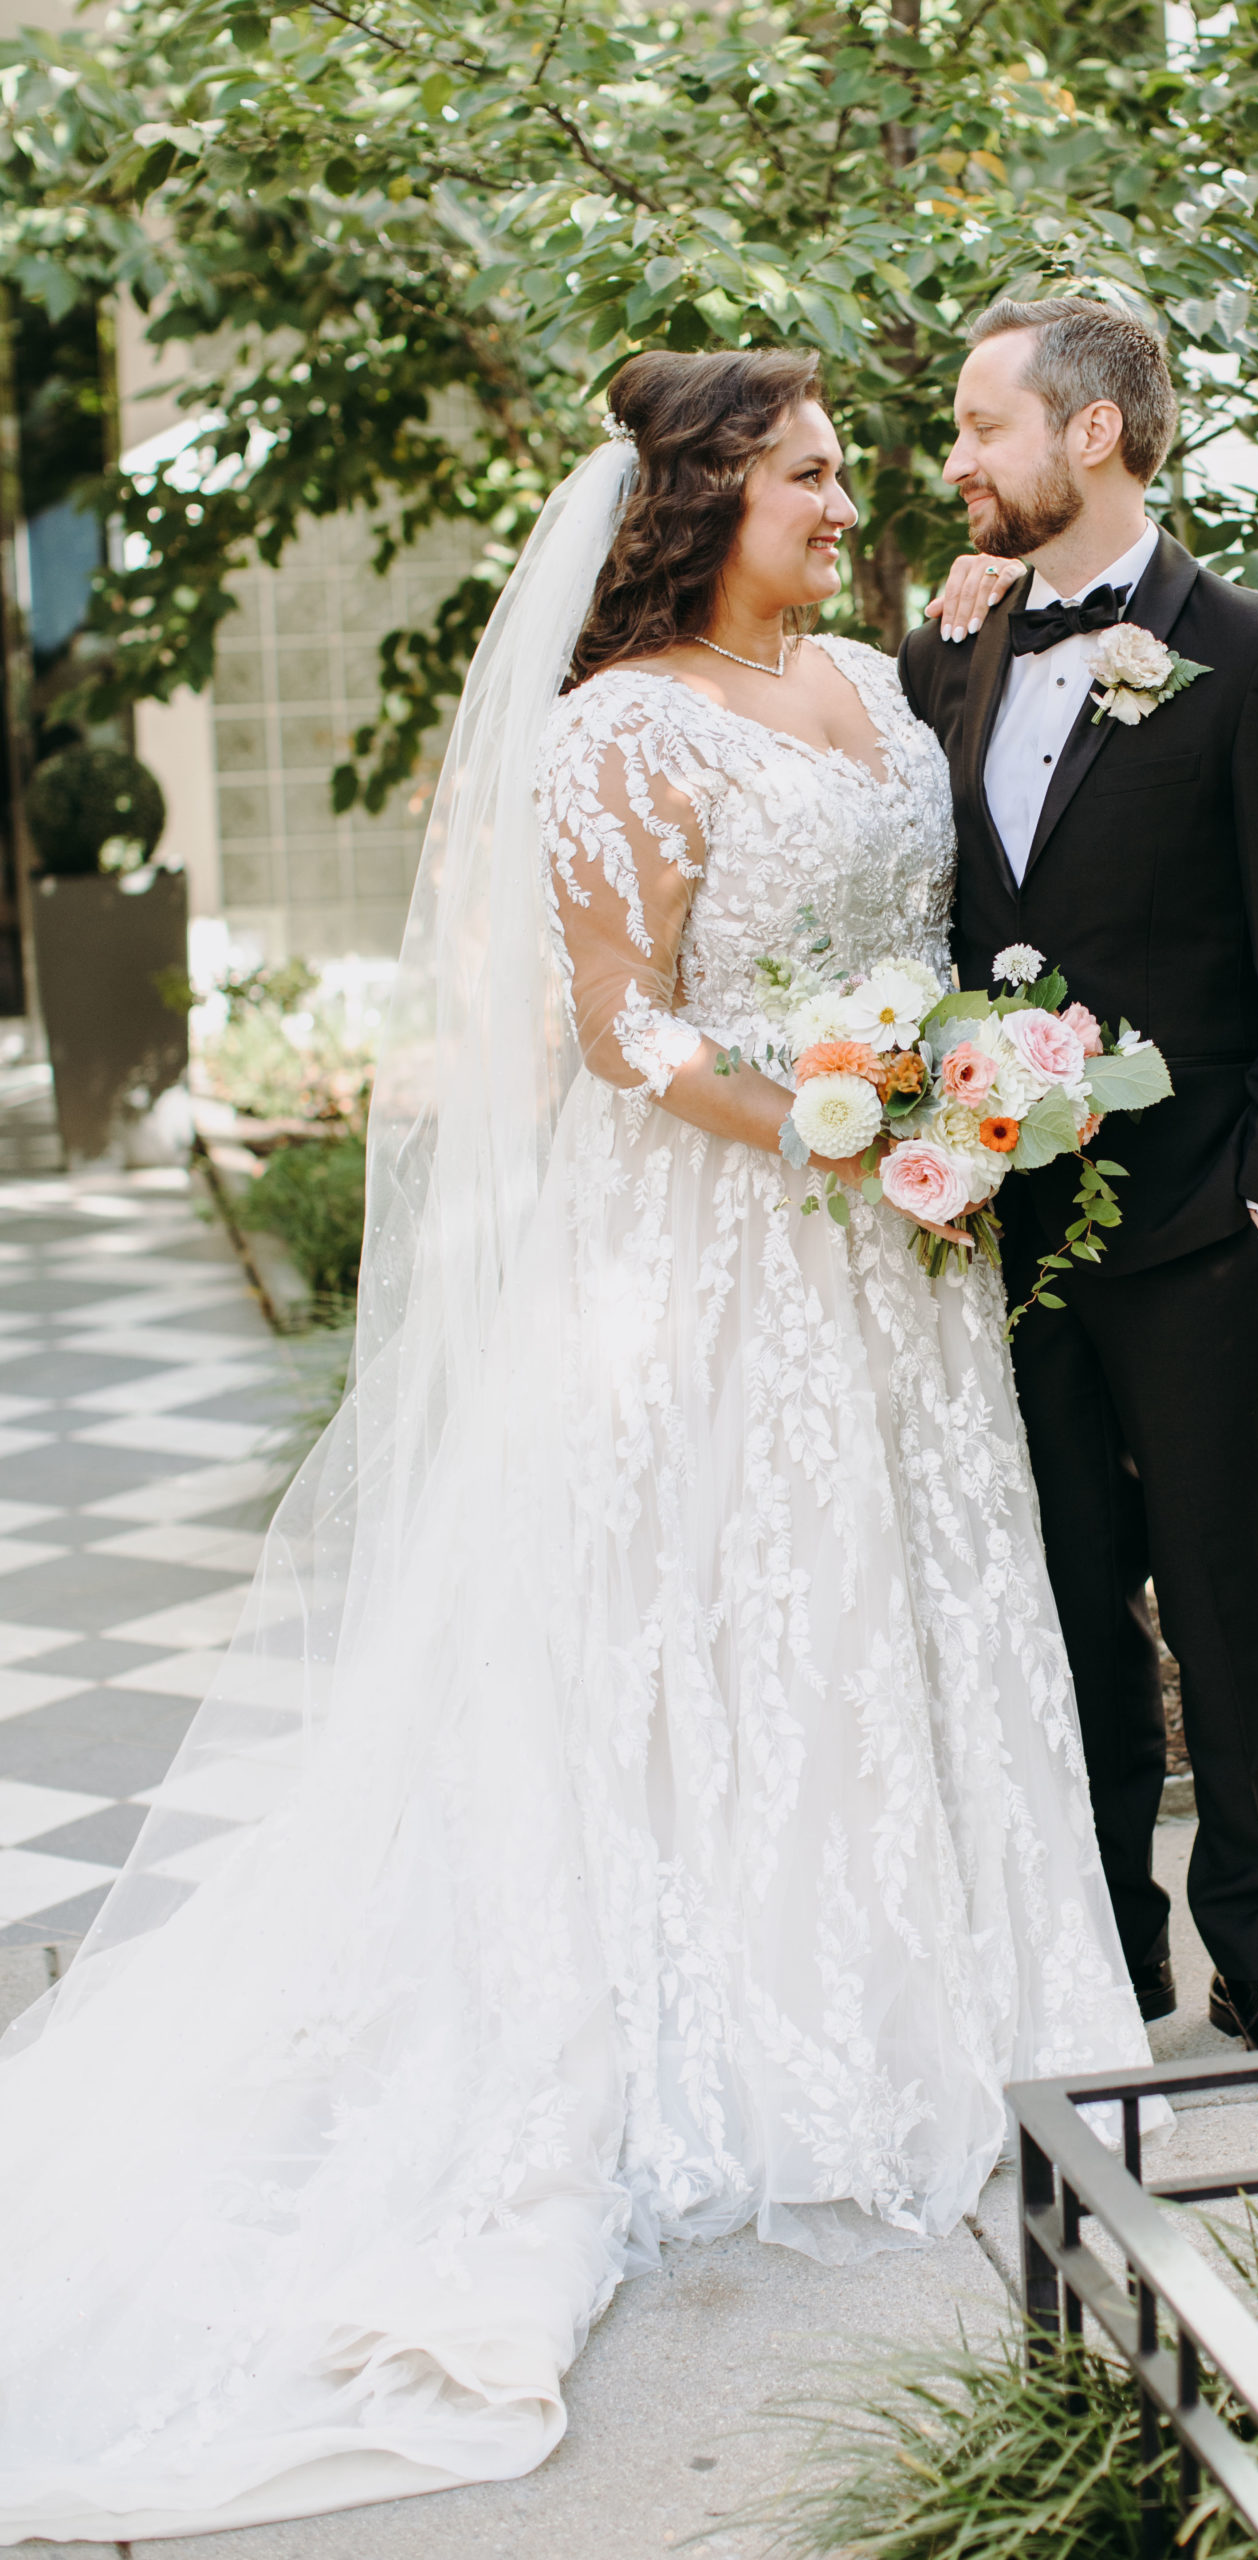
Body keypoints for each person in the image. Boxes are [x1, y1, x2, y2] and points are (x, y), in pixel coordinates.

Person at [0, 347, 1160, 2545]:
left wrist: (953, 1096)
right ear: (711, 497)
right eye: (813, 474)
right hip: (724, 1253)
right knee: (710, 1620)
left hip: (893, 1272)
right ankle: (704, 2022)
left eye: (845, 475)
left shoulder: (872, 688)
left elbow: (903, 946)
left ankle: (921, 1996)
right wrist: (857, 1131)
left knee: (881, 1623)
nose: (850, 501)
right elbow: (622, 1022)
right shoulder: (614, 727)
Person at [899, 297, 1258, 2086]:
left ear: (1088, 435)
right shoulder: (946, 652)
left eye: (979, 424)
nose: (953, 459)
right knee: (1070, 1599)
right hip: (1000, 1229)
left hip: (1195, 1229)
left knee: (1227, 1596)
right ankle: (1106, 1941)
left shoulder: (1256, 660)